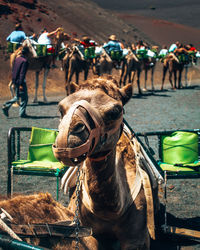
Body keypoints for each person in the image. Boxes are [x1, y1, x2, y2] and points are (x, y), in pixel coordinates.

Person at [2, 47, 29, 118]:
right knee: (24, 98)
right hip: (21, 82)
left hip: (15, 81)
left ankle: (6, 106)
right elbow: (22, 74)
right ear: (26, 53)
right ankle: (22, 113)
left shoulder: (17, 59)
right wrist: (21, 84)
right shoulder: (25, 61)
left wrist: (14, 82)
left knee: (17, 97)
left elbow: (14, 71)